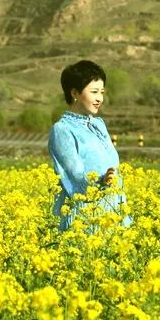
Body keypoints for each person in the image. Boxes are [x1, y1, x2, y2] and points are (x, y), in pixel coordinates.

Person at [48, 60, 131, 232]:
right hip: (85, 220)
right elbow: (73, 176)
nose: (100, 98)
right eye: (94, 92)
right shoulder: (62, 130)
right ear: (74, 93)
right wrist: (101, 182)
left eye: (102, 92)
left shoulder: (99, 125)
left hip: (114, 215)